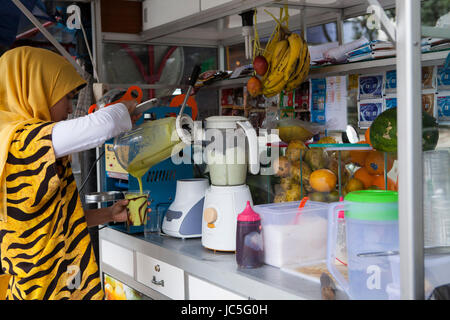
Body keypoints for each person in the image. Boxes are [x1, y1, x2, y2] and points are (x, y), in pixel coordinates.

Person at [0, 46, 141, 300]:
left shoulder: (33, 145)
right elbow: (105, 124)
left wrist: (109, 214)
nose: (68, 108)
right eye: (65, 97)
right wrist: (125, 107)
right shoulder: (22, 142)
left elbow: (56, 223)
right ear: (36, 90)